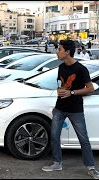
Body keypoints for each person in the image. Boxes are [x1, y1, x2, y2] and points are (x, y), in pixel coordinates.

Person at [42, 39, 99, 179]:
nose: (57, 52)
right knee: (54, 136)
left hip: (75, 109)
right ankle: (57, 163)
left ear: (67, 52)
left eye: (59, 49)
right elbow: (61, 85)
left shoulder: (81, 69)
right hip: (60, 108)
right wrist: (59, 91)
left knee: (83, 139)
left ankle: (91, 167)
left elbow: (90, 88)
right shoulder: (61, 67)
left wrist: (72, 92)